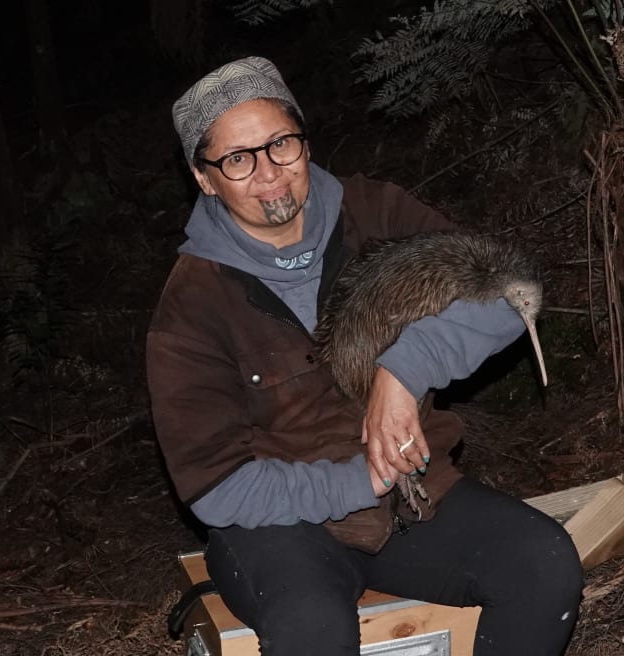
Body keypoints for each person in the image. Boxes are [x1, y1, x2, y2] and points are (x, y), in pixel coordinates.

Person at [147, 55, 583, 655]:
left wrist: (403, 370)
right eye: (238, 159)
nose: (269, 172)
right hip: (279, 527)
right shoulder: (192, 305)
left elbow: (512, 292)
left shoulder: (374, 213)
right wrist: (364, 479)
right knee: (312, 628)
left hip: (414, 500)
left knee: (541, 565)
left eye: (280, 144)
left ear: (304, 141)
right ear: (205, 178)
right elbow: (217, 487)